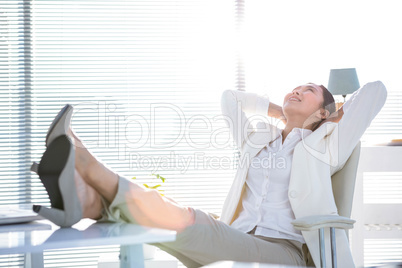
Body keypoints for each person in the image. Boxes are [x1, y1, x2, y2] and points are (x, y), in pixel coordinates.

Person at [32, 81, 387, 267]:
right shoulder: (257, 139)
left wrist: (330, 117)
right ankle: (89, 203)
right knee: (150, 224)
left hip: (285, 252)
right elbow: (229, 98)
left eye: (307, 90)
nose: (296, 90)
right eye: (294, 87)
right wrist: (283, 111)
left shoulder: (324, 146)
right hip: (237, 236)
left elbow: (375, 91)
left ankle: (87, 166)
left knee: (190, 221)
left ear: (325, 113)